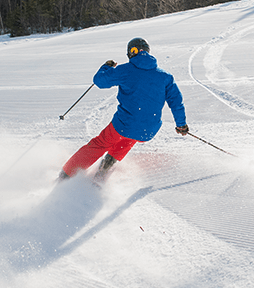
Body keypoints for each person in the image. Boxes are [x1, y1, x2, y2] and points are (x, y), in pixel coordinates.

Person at [58, 37, 189, 183]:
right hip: (148, 130)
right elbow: (176, 102)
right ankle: (101, 176)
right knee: (128, 138)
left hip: (125, 124)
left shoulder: (126, 70)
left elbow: (99, 81)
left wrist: (106, 67)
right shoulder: (165, 76)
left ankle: (65, 176)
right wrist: (181, 124)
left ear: (132, 52)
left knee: (99, 144)